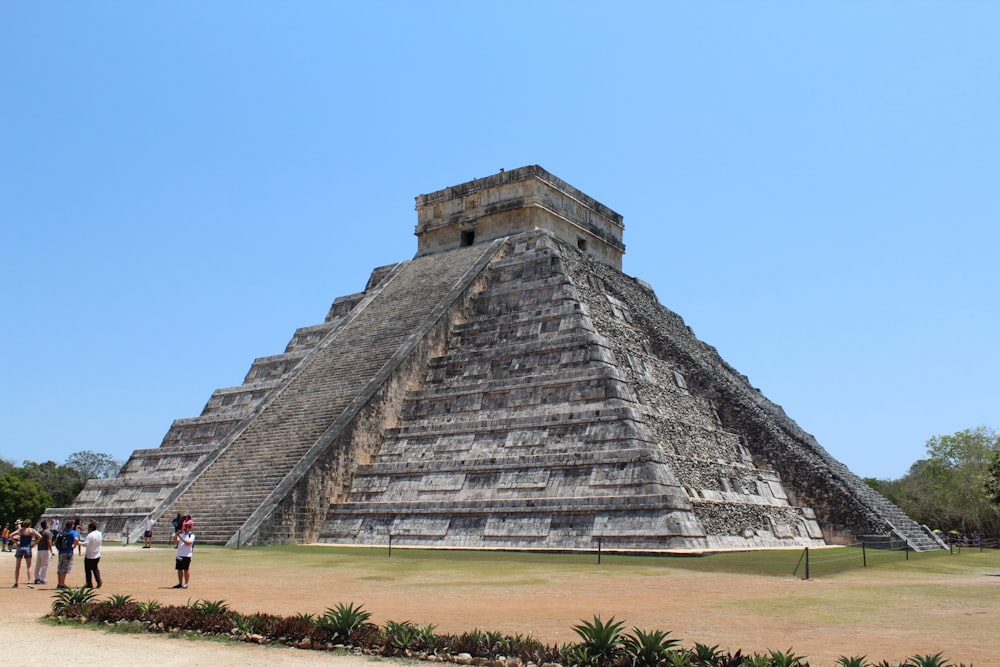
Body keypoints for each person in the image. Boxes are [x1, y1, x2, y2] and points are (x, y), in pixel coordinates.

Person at [11, 520, 41, 588]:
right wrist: (34, 544)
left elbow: (11, 535)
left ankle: (16, 583)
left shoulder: (21, 530)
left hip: (20, 547)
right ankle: (29, 582)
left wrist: (16, 543)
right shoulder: (31, 530)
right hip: (27, 548)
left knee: (18, 566)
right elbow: (40, 537)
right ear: (30, 524)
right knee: (29, 566)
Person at [56, 520, 80, 589]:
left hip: (61, 551)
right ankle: (62, 584)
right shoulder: (72, 532)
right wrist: (74, 546)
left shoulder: (62, 531)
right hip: (68, 551)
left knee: (60, 567)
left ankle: (59, 583)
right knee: (65, 568)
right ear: (72, 525)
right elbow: (76, 539)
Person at [172, 519, 195, 589]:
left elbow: (188, 543)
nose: (185, 529)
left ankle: (186, 583)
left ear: (190, 528)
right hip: (180, 554)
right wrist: (176, 536)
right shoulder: (182, 535)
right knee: (179, 569)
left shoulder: (191, 535)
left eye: (187, 527)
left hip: (187, 555)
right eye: (185, 527)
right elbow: (175, 542)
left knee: (186, 569)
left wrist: (180, 537)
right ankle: (180, 583)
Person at [82, 521, 103, 589]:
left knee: (88, 570)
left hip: (89, 555)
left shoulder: (90, 535)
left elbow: (86, 544)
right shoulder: (99, 533)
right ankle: (98, 580)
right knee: (95, 568)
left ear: (90, 528)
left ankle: (89, 584)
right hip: (97, 554)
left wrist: (78, 542)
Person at [34, 520, 54, 585]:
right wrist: (51, 550)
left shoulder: (39, 532)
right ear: (46, 525)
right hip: (45, 550)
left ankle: (37, 578)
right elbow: (49, 542)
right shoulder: (48, 533)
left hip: (39, 550)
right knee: (45, 565)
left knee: (38, 565)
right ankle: (42, 578)